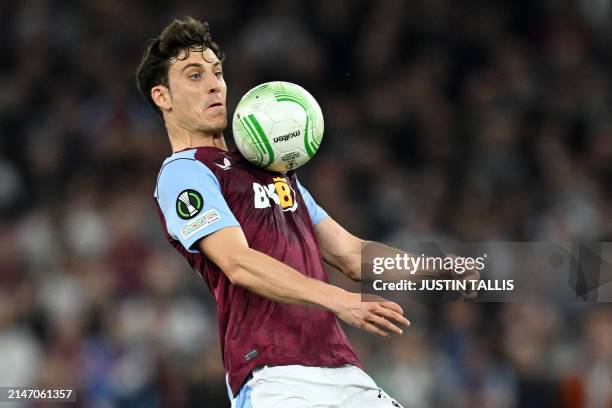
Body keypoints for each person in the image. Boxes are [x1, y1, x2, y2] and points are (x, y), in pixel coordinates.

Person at [136, 16, 472, 407]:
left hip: (342, 368)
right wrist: (339, 299)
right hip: (273, 375)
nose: (215, 84)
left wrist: (432, 269)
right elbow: (239, 263)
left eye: (218, 72)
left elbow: (351, 255)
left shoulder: (270, 170)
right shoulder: (185, 172)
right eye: (194, 75)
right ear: (163, 97)